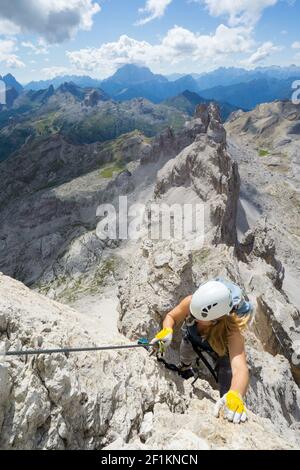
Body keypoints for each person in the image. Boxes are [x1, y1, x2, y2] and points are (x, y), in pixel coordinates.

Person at [151, 278, 253, 425]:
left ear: (215, 320)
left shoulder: (232, 331)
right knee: (186, 353)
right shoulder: (193, 303)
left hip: (221, 351)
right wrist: (167, 330)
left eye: (198, 317)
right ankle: (185, 368)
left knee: (227, 376)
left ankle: (225, 404)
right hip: (192, 339)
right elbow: (171, 316)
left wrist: (235, 394)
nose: (192, 316)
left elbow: (240, 368)